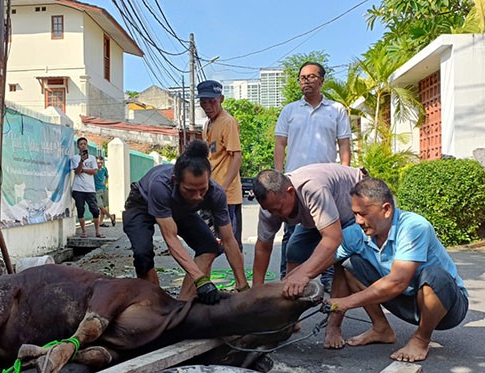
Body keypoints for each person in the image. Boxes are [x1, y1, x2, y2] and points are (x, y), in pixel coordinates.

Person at [321, 177, 469, 362]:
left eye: (363, 214)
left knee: (434, 275)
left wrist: (346, 302)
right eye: (355, 214)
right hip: (404, 300)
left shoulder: (414, 227)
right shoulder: (356, 233)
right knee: (348, 263)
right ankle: (381, 329)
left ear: (386, 210)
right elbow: (323, 259)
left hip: (446, 309)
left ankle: (421, 339)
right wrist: (298, 279)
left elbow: (398, 282)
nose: (358, 220)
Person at [122, 140, 249, 303]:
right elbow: (171, 238)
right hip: (141, 204)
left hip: (181, 208)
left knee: (209, 247)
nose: (198, 197)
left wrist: (243, 286)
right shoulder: (160, 186)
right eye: (190, 190)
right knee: (143, 254)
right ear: (176, 180)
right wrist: (200, 279)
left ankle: (182, 304)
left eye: (202, 189)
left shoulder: (216, 193)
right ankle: (154, 303)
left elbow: (229, 240)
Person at [251, 165, 363, 344]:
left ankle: (335, 327)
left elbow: (333, 238)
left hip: (350, 207)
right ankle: (290, 318)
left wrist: (304, 274)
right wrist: (255, 295)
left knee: (342, 264)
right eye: (271, 210)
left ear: (290, 192)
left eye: (279, 209)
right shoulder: (270, 208)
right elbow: (263, 247)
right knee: (295, 251)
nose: (276, 215)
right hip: (322, 215)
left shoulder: (311, 188)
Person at [274, 61, 352, 278]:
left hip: (326, 185)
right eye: (302, 78)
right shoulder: (289, 111)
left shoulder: (336, 110)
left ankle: (328, 279)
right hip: (293, 185)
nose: (305, 81)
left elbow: (344, 144)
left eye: (311, 77)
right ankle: (287, 278)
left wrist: (344, 176)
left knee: (328, 232)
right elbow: (280, 144)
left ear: (322, 80)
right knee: (291, 235)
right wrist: (278, 177)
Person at [198, 80, 244, 249]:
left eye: (212, 101)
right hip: (209, 192)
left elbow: (237, 157)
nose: (208, 106)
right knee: (206, 243)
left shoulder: (228, 122)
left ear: (221, 99)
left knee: (231, 244)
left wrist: (222, 189)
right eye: (203, 102)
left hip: (226, 196)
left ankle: (239, 270)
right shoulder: (207, 125)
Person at [71, 137, 103, 238]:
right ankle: (84, 231)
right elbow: (77, 171)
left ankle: (97, 231)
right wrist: (81, 161)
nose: (83, 146)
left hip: (90, 189)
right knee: (80, 210)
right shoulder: (75, 158)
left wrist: (83, 170)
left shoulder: (92, 158)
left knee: (95, 210)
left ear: (87, 145)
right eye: (81, 144)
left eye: (85, 144)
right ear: (78, 146)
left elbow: (94, 171)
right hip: (78, 189)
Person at [95, 156, 116, 228]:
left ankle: (101, 222)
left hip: (104, 189)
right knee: (100, 206)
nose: (100, 164)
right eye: (98, 163)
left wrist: (105, 182)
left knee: (103, 206)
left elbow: (107, 176)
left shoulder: (104, 169)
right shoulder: (94, 170)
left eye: (101, 163)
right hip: (96, 190)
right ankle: (111, 216)